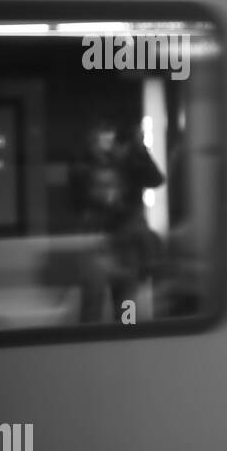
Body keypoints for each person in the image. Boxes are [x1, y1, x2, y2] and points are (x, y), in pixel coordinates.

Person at [70, 119, 165, 322]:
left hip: (124, 242)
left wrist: (141, 151)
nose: (108, 142)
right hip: (96, 239)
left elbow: (156, 179)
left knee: (126, 304)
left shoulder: (127, 163)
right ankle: (88, 341)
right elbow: (79, 199)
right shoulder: (83, 167)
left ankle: (126, 337)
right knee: (92, 302)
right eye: (103, 137)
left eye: (111, 137)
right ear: (93, 140)